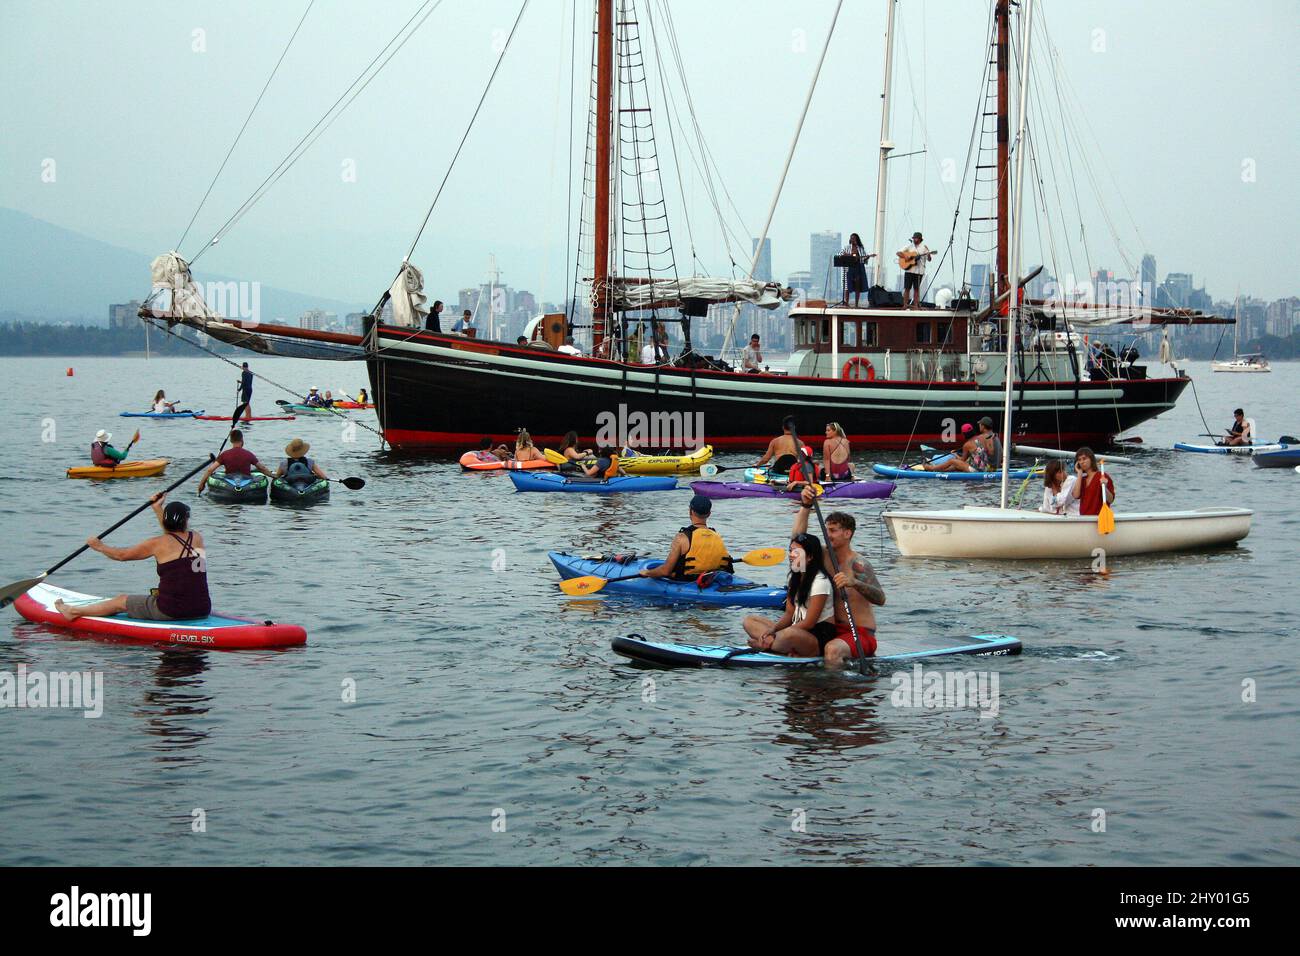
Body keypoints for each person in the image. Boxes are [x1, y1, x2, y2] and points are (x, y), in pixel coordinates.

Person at [53, 494, 211, 624]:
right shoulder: (197, 538)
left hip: (170, 610)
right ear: (186, 521)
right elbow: (173, 536)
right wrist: (157, 508)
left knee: (120, 601)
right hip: (202, 608)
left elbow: (122, 556)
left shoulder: (156, 544)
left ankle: (72, 611)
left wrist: (99, 546)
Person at [639, 495, 734, 582]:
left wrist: (647, 573)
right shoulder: (716, 536)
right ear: (709, 514)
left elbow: (665, 571)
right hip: (713, 581)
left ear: (690, 511)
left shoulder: (682, 537)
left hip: (687, 583)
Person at [196, 429, 274, 492]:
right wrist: (273, 476)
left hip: (229, 480)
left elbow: (210, 470)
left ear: (231, 441)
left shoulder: (225, 454)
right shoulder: (248, 454)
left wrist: (202, 484)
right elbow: (262, 468)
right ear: (242, 439)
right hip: (246, 479)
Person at [1070, 447, 1115, 516]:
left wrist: (1105, 488)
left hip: (1099, 518)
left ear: (1091, 459)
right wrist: (1079, 473)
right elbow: (1076, 495)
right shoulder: (1082, 480)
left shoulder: (1102, 476)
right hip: (1084, 518)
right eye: (1079, 460)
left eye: (1084, 458)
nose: (1082, 462)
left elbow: (1110, 500)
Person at [898, 231, 932, 310]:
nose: (914, 239)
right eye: (914, 238)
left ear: (920, 239)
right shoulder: (909, 246)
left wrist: (929, 254)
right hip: (909, 270)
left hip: (919, 271)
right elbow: (898, 253)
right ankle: (905, 305)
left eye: (916, 238)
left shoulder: (924, 248)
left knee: (916, 289)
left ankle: (916, 305)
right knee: (907, 288)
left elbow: (929, 259)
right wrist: (906, 257)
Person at [841, 232, 873, 308]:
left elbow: (864, 259)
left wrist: (867, 257)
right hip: (849, 268)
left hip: (858, 268)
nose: (852, 239)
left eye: (854, 238)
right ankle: (846, 302)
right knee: (847, 286)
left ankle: (856, 304)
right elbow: (840, 254)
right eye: (851, 238)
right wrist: (850, 255)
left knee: (857, 286)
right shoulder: (846, 247)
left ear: (857, 239)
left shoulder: (861, 248)